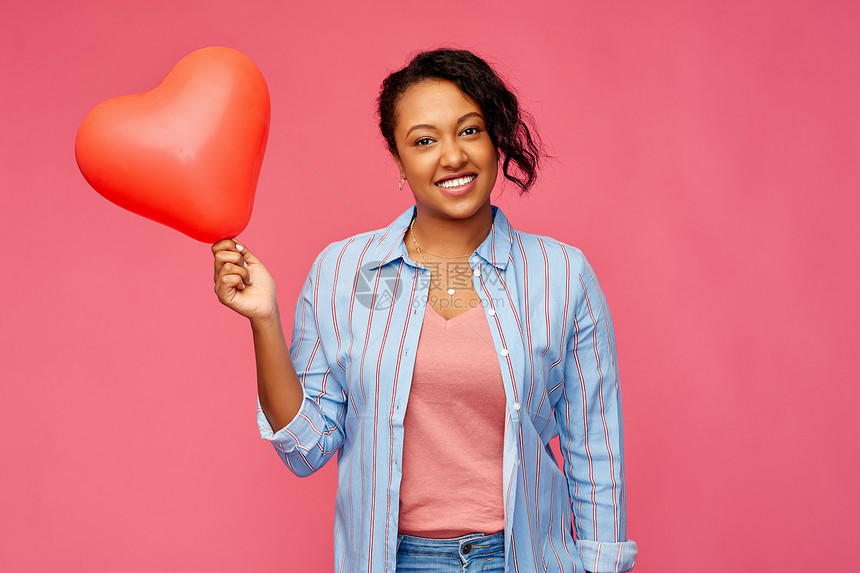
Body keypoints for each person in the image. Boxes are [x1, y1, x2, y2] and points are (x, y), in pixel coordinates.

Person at [212, 48, 637, 573]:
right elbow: (307, 449)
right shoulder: (352, 275)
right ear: (399, 161)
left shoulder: (560, 276)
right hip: (394, 561)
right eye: (424, 141)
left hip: (526, 559)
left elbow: (594, 445)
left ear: (495, 140)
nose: (452, 156)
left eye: (469, 130)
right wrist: (265, 321)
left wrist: (603, 565)